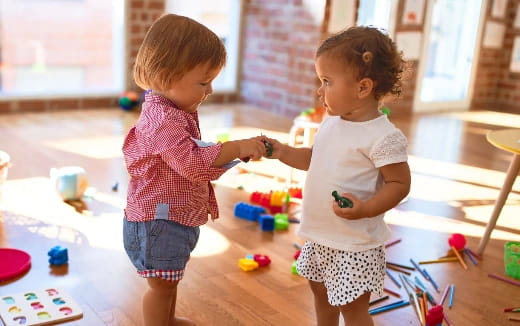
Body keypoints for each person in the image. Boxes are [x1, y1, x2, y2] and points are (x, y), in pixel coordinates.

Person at [122, 14, 267, 326]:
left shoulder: (172, 110)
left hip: (169, 217)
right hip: (157, 223)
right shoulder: (163, 120)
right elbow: (193, 164)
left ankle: (167, 320)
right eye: (204, 82)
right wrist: (238, 146)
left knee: (169, 281)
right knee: (160, 286)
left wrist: (232, 154)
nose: (210, 90)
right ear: (165, 75)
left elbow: (194, 155)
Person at [266, 26, 411, 326]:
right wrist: (282, 151)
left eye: (327, 82)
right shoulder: (332, 122)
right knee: (321, 295)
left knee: (353, 311)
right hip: (320, 237)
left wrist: (366, 209)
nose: (320, 91)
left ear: (362, 88)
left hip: (355, 245)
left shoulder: (383, 136)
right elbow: (313, 159)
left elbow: (399, 183)